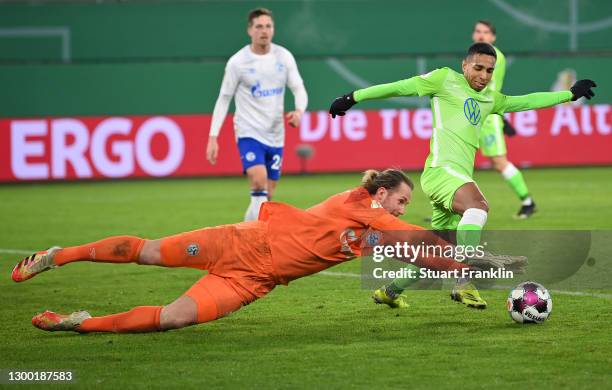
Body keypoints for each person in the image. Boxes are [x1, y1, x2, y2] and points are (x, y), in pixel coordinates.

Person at [12, 169, 499, 333]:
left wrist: (461, 263)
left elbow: (410, 250)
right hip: (244, 242)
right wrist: (466, 257)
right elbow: (411, 238)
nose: (404, 206)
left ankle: (78, 322)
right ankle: (61, 254)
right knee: (150, 252)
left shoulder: (369, 230)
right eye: (402, 199)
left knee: (173, 319)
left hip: (253, 280)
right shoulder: (361, 203)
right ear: (383, 194)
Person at [328, 43, 596, 309]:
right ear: (464, 65)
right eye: (478, 68)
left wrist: (569, 95)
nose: (483, 75)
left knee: (438, 252)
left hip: (454, 179)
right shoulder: (444, 79)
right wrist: (354, 97)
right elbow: (398, 86)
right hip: (440, 171)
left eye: (489, 71)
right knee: (478, 206)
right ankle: (464, 281)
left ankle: (389, 291)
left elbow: (524, 101)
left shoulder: (491, 98)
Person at [206, 7, 308, 221]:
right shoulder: (237, 62)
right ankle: (253, 243)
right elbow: (224, 98)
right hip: (248, 131)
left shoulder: (284, 56)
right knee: (258, 181)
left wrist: (299, 111)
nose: (264, 31)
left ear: (273, 29)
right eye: (259, 26)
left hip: (276, 134)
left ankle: (246, 234)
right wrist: (213, 137)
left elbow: (298, 88)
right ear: (250, 30)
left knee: (266, 195)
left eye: (268, 26)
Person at [472, 20, 536, 219]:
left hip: (487, 118)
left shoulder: (494, 56)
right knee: (459, 159)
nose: (481, 35)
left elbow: (482, 86)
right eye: (478, 31)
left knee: (499, 162)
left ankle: (528, 202)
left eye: (485, 32)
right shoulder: (475, 55)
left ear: (493, 37)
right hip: (475, 115)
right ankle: (449, 209)